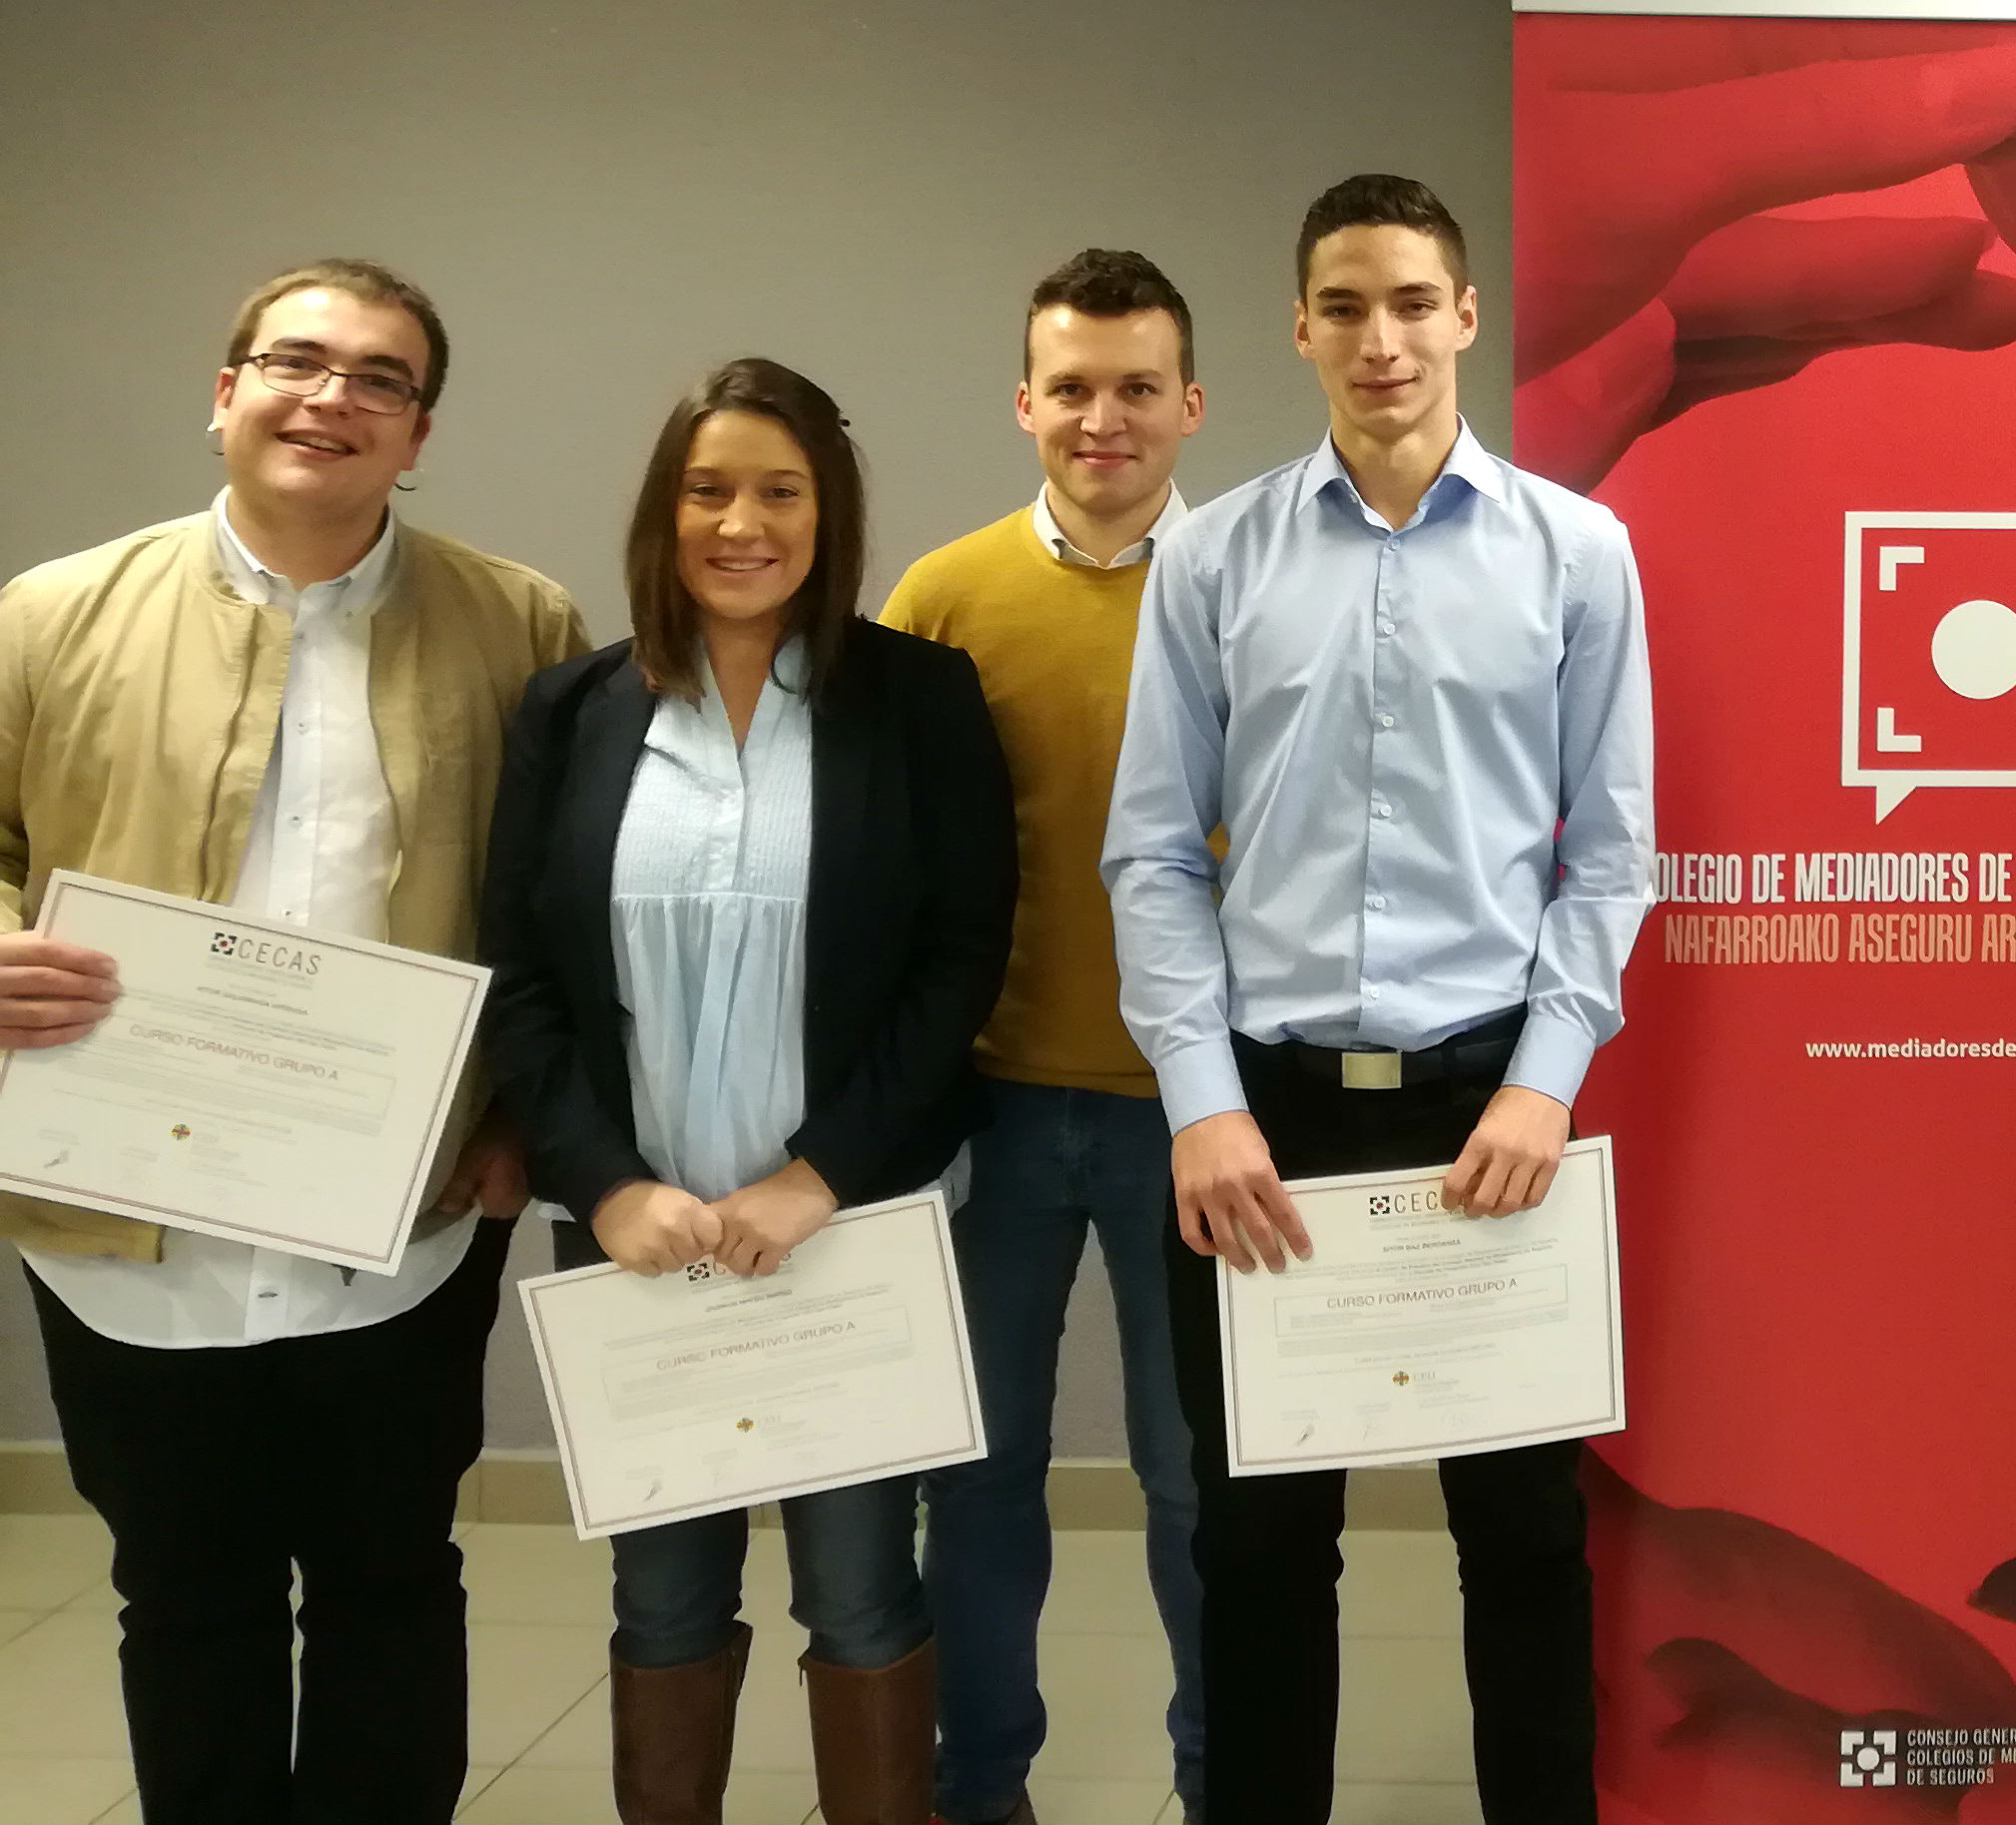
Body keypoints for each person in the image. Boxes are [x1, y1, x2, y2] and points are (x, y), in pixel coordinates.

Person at [1103, 172, 1655, 1825]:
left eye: (1413, 302)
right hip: (1260, 1126)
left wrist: (1546, 1078)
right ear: (1299, 329)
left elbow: (1612, 852)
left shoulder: (1577, 552)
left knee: (1526, 1550)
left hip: (1493, 1112)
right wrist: (1201, 1105)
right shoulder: (1212, 556)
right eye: (1343, 307)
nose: (1381, 339)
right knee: (1261, 1553)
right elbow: (1153, 855)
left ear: (1465, 315)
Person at [0, 259, 581, 1825]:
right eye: (296, 362)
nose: (333, 398)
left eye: (380, 379)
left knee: (394, 1580)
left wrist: (521, 1116)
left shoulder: (521, 624)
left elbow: (559, 907)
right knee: (185, 1594)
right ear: (226, 394)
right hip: (126, 1225)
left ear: (420, 433)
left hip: (402, 1222)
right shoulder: (51, 614)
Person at [477, 356, 1014, 1825]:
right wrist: (606, 1185)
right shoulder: (569, 710)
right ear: (663, 510)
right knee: (662, 1601)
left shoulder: (918, 698)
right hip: (637, 1243)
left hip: (846, 1226)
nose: (741, 523)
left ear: (828, 516)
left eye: (781, 492)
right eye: (708, 490)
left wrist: (820, 1175)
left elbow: (959, 962)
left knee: (859, 1590)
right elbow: (517, 973)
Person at [882, 247, 1212, 1825]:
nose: (1104, 418)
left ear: (1192, 404)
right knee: (977, 1476)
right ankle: (980, 1784)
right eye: (1072, 387)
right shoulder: (941, 599)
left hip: (1199, 1117)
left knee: (1198, 1485)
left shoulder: (1252, 583)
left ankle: (1220, 1777)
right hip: (990, 1115)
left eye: (1138, 387)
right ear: (1024, 403)